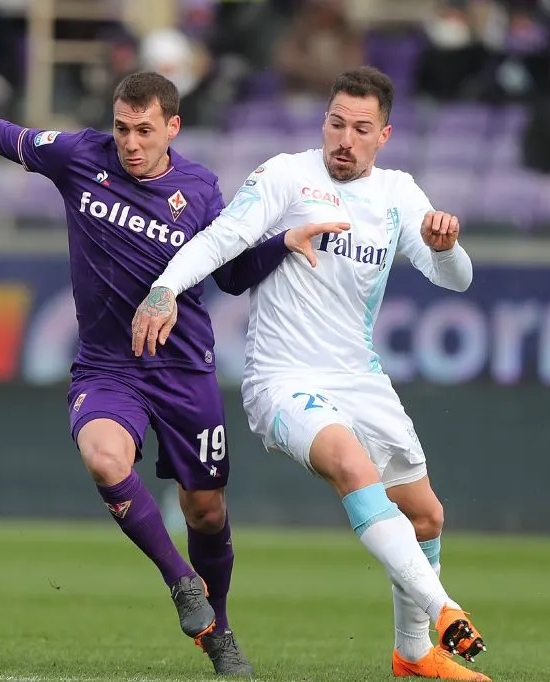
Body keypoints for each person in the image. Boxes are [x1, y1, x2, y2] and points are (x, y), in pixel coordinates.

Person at [0, 62, 341, 677]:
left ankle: (219, 628)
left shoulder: (199, 190)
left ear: (173, 126)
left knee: (207, 511)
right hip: (107, 367)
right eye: (121, 129)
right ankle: (181, 583)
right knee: (103, 458)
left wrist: (281, 244)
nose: (131, 144)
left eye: (144, 131)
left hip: (182, 369)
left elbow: (228, 274)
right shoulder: (78, 159)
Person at [132, 66, 491, 681]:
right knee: (352, 466)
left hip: (360, 378)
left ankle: (411, 655)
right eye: (335, 123)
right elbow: (221, 240)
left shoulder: (399, 194)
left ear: (385, 134)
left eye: (360, 128)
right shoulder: (285, 175)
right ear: (323, 121)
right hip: (282, 378)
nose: (343, 139)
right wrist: (165, 288)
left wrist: (444, 245)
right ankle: (446, 610)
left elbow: (455, 279)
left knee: (426, 515)